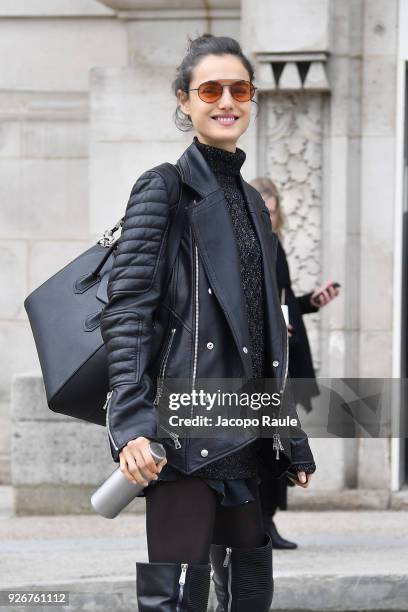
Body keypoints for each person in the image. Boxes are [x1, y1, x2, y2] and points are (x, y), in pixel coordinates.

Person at [100, 33, 316, 612]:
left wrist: (289, 437)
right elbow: (128, 309)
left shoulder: (250, 200)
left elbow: (265, 333)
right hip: (180, 429)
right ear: (185, 100)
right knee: (177, 594)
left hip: (243, 427)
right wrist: (131, 424)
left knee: (250, 585)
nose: (227, 101)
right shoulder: (163, 188)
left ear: (252, 99)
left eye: (239, 88)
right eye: (210, 89)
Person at [250, 176, 340, 550]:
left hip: (284, 352)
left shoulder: (275, 244)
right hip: (262, 358)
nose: (268, 217)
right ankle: (257, 525)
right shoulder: (251, 246)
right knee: (267, 441)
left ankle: (266, 524)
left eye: (272, 212)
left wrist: (311, 303)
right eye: (262, 211)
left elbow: (282, 300)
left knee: (279, 442)